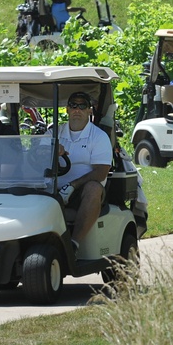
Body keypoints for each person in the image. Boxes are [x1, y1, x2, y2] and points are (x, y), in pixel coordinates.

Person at [56, 91, 113, 252]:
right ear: (67, 109)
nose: (77, 110)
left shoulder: (98, 137)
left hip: (81, 193)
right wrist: (48, 151)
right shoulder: (55, 133)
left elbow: (101, 172)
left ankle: (74, 244)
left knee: (94, 188)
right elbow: (35, 157)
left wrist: (73, 186)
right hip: (54, 188)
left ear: (90, 110)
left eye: (82, 106)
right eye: (73, 105)